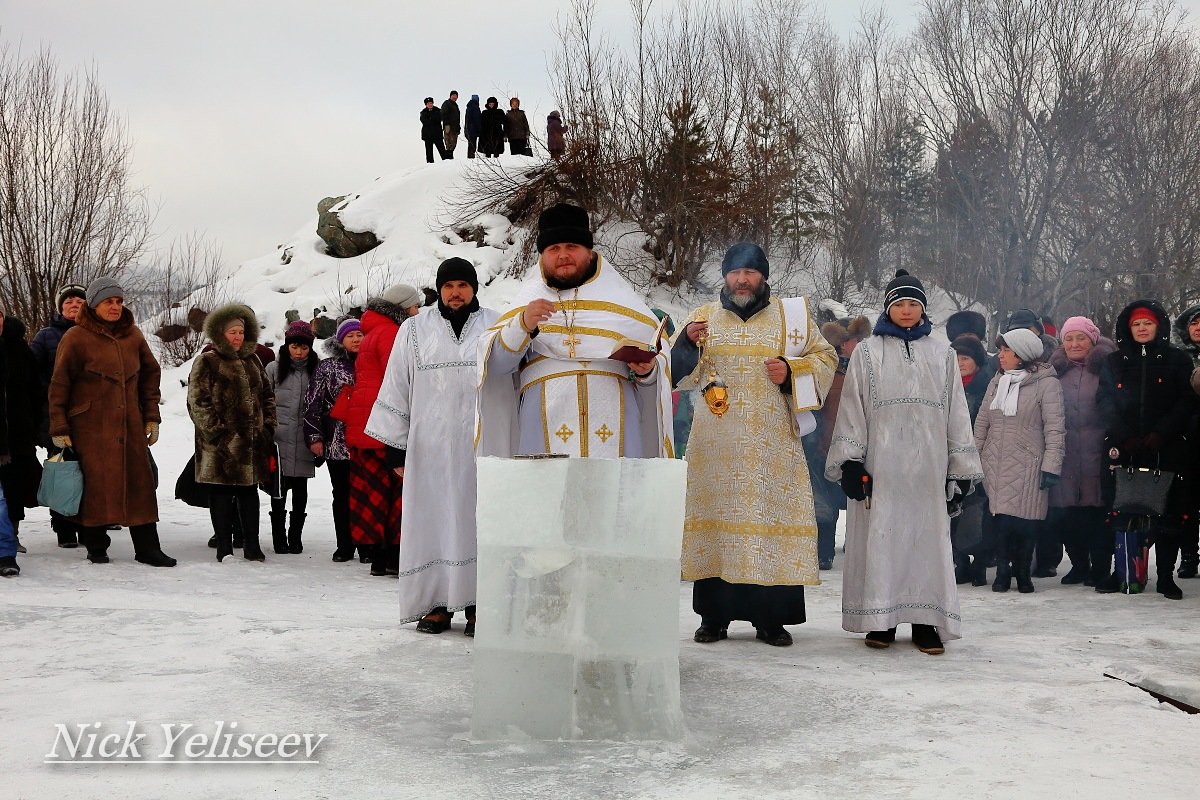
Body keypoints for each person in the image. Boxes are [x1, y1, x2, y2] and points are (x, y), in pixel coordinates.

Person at [671, 243, 837, 647]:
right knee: (718, 524)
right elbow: (677, 375)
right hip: (717, 444)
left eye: (750, 272)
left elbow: (826, 358)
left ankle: (770, 619)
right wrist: (687, 346)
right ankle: (714, 617)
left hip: (772, 443)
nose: (742, 279)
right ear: (724, 277)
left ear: (763, 277)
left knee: (769, 525)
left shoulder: (791, 318)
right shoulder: (703, 318)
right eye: (734, 272)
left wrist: (791, 371)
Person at [826, 270, 983, 655]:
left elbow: (957, 415)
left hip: (929, 469)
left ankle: (927, 623)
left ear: (923, 309)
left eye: (914, 304)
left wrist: (960, 470)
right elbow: (852, 409)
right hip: (884, 465)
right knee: (883, 540)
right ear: (888, 308)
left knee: (927, 544)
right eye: (900, 304)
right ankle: (882, 621)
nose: (907, 310)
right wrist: (850, 462)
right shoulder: (867, 352)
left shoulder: (942, 354)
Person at [476, 203, 673, 460]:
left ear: (589, 251)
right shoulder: (524, 305)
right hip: (542, 426)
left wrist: (648, 373)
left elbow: (657, 366)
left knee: (614, 498)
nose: (563, 255)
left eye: (572, 247)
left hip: (617, 431)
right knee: (548, 499)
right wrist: (522, 325)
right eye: (554, 248)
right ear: (542, 256)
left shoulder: (623, 303)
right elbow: (496, 367)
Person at [366, 258, 498, 636]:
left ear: (474, 288)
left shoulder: (496, 325)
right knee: (432, 521)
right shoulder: (413, 328)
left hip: (480, 446)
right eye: (448, 286)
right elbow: (396, 385)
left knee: (478, 522)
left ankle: (477, 606)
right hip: (429, 449)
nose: (455, 292)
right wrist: (396, 447)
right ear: (438, 290)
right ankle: (436, 605)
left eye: (462, 285)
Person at [48, 277, 175, 567]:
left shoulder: (134, 336)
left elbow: (150, 376)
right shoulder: (76, 337)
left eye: (119, 301)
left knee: (141, 484)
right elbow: (59, 385)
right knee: (96, 486)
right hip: (90, 426)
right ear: (94, 304)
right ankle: (96, 546)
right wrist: (59, 427)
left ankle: (147, 548)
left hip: (130, 423)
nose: (115, 306)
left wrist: (151, 416)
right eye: (109, 301)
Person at [1098, 300, 1194, 599]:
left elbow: (1186, 401)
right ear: (1129, 328)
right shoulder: (1114, 361)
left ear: (1158, 327)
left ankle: (1165, 576)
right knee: (1123, 511)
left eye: (1147, 323)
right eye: (1136, 323)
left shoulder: (1177, 360)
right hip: (1125, 447)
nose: (1141, 328)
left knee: (1169, 515)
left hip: (1166, 447)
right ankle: (1123, 572)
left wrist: (1161, 433)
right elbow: (1104, 401)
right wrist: (1123, 435)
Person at [974, 328, 1066, 594]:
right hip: (994, 462)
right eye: (1001, 350)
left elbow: (1055, 428)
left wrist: (1051, 466)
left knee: (1025, 523)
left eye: (1007, 351)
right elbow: (982, 423)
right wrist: (973, 460)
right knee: (999, 522)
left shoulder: (1047, 383)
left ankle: (1023, 573)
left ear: (1023, 355)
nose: (1000, 356)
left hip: (1028, 464)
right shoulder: (997, 381)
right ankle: (1003, 572)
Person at [188, 303, 276, 563]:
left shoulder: (253, 360)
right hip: (220, 445)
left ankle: (252, 545)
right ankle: (224, 546)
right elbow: (197, 401)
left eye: (241, 331)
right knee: (222, 495)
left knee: (249, 494)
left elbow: (268, 396)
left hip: (251, 441)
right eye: (232, 332)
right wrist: (216, 433)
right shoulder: (207, 361)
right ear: (219, 333)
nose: (238, 337)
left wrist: (268, 426)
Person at [346, 284, 423, 576]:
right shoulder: (394, 333)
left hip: (366, 425)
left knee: (375, 494)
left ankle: (379, 556)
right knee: (397, 494)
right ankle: (393, 556)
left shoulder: (372, 332)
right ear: (403, 308)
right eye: (415, 306)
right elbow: (402, 382)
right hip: (386, 426)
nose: (419, 312)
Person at [1044, 317, 1117, 588]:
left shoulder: (1108, 368)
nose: (1075, 344)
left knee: (1098, 514)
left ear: (1093, 340)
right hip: (1065, 453)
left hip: (1098, 452)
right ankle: (1078, 564)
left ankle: (1100, 567)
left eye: (1081, 338)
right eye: (1069, 338)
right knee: (1067, 514)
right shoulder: (1054, 372)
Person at [809, 315, 871, 571]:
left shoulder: (870, 369)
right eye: (856, 340)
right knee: (824, 505)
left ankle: (857, 548)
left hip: (860, 447)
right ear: (842, 343)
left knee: (858, 501)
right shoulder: (826, 371)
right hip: (825, 444)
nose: (861, 344)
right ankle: (824, 552)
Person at [30, 285, 86, 547]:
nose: (74, 305)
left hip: (91, 418)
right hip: (55, 415)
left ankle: (89, 525)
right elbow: (32, 375)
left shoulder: (95, 334)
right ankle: (63, 527)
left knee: (92, 471)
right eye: (68, 302)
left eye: (79, 301)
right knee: (62, 470)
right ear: (60, 308)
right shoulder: (46, 336)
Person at [305, 317, 365, 563]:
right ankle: (345, 545)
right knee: (341, 494)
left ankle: (367, 545)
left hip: (367, 442)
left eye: (360, 334)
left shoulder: (374, 363)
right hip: (336, 442)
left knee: (365, 495)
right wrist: (314, 437)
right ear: (340, 340)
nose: (356, 339)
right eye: (350, 335)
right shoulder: (327, 367)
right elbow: (313, 403)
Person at [265, 321, 318, 554]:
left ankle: (295, 536)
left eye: (304, 348)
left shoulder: (317, 369)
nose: (299, 352)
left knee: (301, 490)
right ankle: (279, 538)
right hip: (278, 439)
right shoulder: (273, 369)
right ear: (287, 346)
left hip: (304, 439)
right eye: (295, 347)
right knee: (279, 490)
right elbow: (263, 402)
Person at [950, 334, 995, 585]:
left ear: (976, 360)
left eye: (965, 357)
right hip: (951, 455)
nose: (960, 362)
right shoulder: (945, 386)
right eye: (955, 357)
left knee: (977, 512)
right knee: (954, 510)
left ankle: (979, 561)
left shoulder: (987, 386)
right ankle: (960, 562)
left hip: (980, 456)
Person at [0, 308, 42, 559]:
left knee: (13, 486)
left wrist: (35, 424)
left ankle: (11, 536)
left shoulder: (18, 347)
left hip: (17, 431)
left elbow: (35, 388)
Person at [1172, 303, 1200, 579]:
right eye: (1194, 323)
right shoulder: (1179, 359)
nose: (1199, 328)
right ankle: (1189, 556)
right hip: (1187, 440)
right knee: (1187, 505)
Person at [421, 97, 447, 163]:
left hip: (437, 134)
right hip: (427, 135)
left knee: (442, 151)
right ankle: (430, 166)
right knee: (429, 153)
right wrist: (433, 119)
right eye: (428, 103)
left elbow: (440, 118)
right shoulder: (423, 112)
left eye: (431, 103)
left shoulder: (438, 110)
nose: (430, 104)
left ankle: (446, 164)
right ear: (426, 104)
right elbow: (424, 121)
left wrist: (431, 118)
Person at [441, 91, 461, 159]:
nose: (455, 97)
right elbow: (443, 114)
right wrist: (446, 124)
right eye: (453, 95)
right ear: (450, 96)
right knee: (448, 143)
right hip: (449, 127)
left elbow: (457, 118)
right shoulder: (446, 103)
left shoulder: (455, 105)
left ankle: (450, 157)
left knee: (453, 143)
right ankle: (448, 158)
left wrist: (458, 127)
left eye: (456, 96)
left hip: (455, 127)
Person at [464, 94, 482, 159]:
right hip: (473, 130)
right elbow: (477, 119)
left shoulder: (469, 107)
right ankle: (471, 157)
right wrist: (479, 129)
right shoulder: (475, 107)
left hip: (469, 129)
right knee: (472, 145)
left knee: (470, 144)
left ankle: (470, 157)